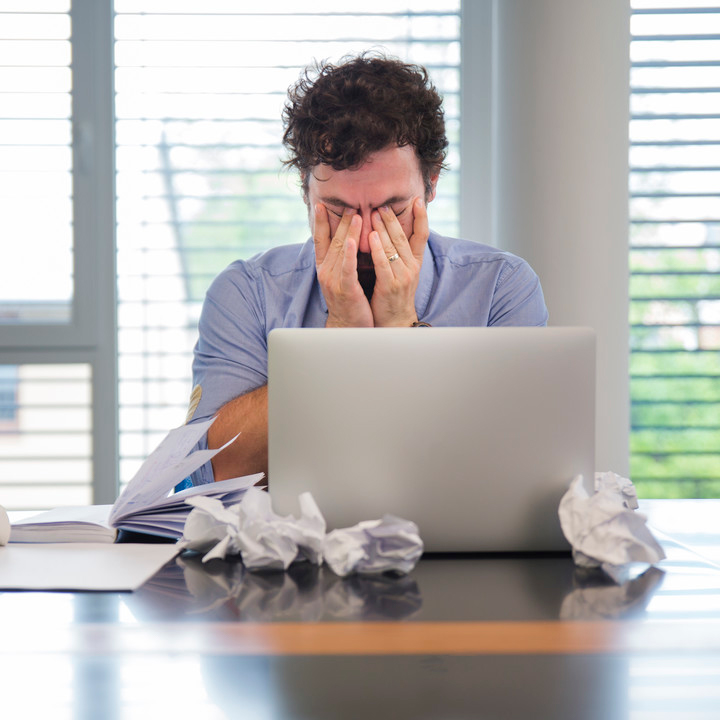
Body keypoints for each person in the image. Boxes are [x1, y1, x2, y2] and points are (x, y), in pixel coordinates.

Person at [187, 53, 548, 486]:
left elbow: (513, 468)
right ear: (306, 189)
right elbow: (214, 471)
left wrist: (401, 330)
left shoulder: (500, 287)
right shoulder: (247, 292)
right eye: (337, 210)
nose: (362, 240)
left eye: (391, 209)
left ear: (431, 184)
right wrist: (340, 340)